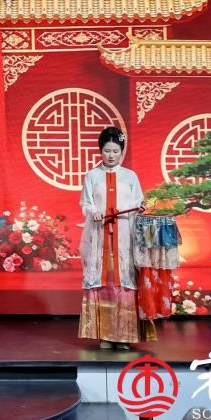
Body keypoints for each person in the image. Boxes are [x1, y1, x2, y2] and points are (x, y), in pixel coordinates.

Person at [79, 126, 152, 349]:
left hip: (124, 236)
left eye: (115, 151)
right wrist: (94, 211)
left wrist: (140, 206)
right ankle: (105, 335)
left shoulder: (130, 176)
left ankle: (124, 337)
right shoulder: (92, 176)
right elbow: (86, 203)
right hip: (99, 235)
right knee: (104, 281)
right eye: (107, 150)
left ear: (122, 151)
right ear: (100, 150)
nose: (111, 155)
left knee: (124, 280)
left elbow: (138, 201)